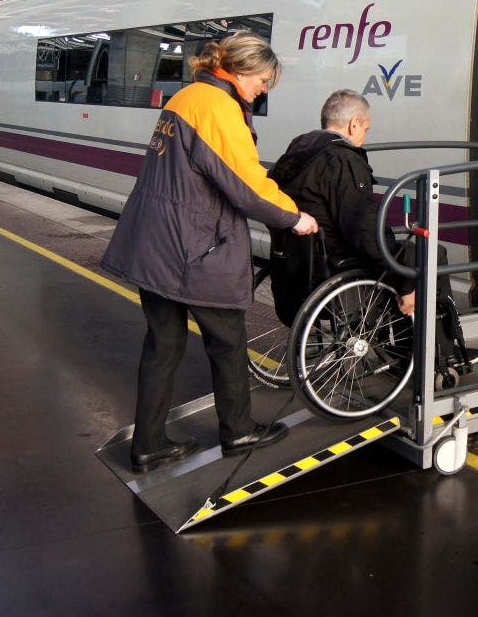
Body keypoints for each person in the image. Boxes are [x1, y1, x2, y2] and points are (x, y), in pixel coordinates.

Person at [102, 32, 319, 474]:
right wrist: (294, 217)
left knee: (162, 344)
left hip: (155, 241)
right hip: (193, 245)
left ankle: (147, 445)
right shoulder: (218, 109)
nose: (263, 90)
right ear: (239, 71)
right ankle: (238, 432)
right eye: (262, 80)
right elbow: (245, 182)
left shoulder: (187, 97)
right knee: (227, 339)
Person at [270, 90, 478, 368]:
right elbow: (363, 230)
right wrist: (404, 284)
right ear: (353, 124)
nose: (364, 137)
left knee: (399, 252)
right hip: (336, 263)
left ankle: (398, 345)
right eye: (366, 129)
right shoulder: (343, 160)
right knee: (430, 254)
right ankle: (441, 354)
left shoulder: (300, 149)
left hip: (303, 260)